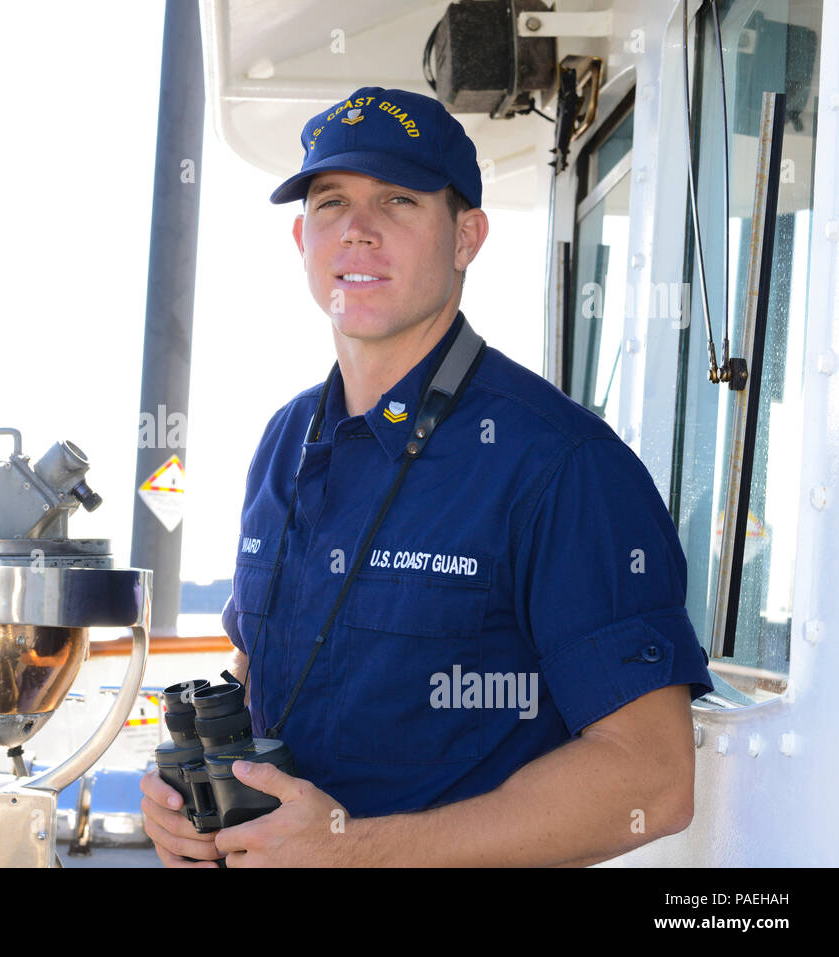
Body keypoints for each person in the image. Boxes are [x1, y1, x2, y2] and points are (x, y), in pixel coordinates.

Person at [139, 86, 715, 867]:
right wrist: (188, 802)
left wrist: (356, 851)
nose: (359, 231)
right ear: (302, 237)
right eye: (332, 202)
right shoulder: (285, 439)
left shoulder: (562, 466)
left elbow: (652, 779)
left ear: (467, 236)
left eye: (399, 201)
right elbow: (259, 668)